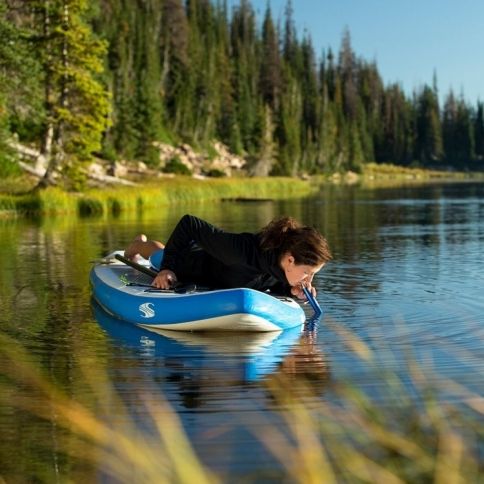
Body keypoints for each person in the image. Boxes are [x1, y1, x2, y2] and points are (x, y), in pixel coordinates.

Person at [124, 214, 332, 300]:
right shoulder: (239, 251)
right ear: (290, 260)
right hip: (190, 264)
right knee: (159, 256)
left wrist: (292, 291)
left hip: (218, 275)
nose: (309, 280)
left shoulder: (279, 268)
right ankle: (137, 244)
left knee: (162, 252)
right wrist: (167, 268)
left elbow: (266, 283)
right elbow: (189, 224)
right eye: (307, 273)